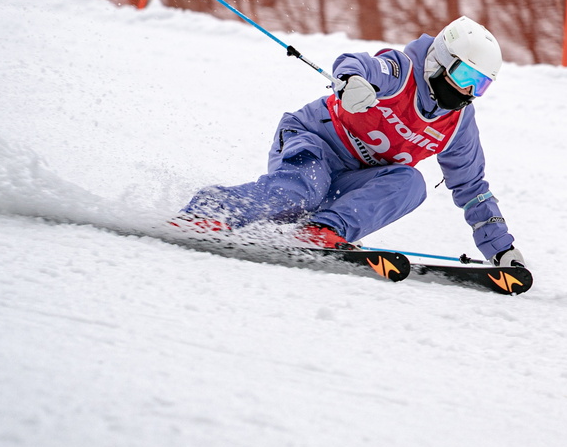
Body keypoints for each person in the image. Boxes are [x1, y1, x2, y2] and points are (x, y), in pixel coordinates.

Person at [172, 15, 526, 268]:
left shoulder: (457, 124)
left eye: (480, 85)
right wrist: (353, 81)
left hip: (353, 180)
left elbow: (472, 187)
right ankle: (211, 210)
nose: (467, 91)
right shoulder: (401, 71)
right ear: (440, 60)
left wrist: (501, 249)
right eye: (465, 75)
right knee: (300, 193)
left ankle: (322, 230)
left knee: (411, 183)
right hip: (313, 144)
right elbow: (357, 63)